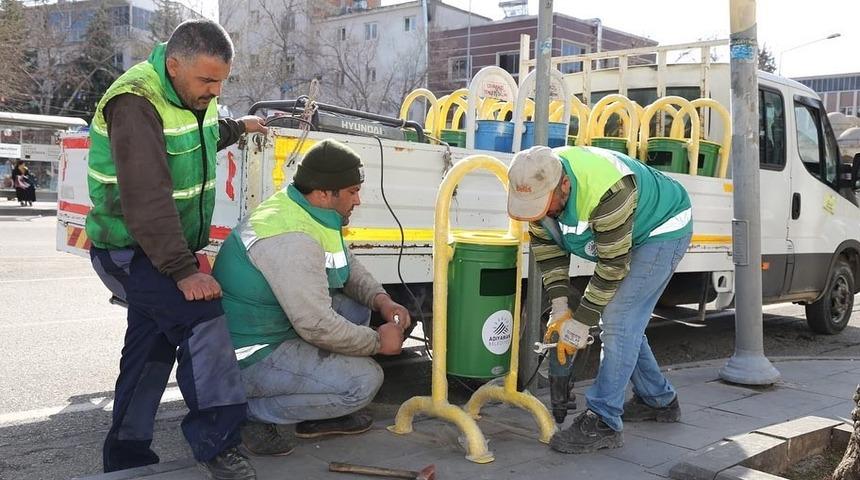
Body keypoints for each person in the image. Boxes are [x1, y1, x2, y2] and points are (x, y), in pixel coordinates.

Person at [85, 19, 267, 479]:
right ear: (174, 64)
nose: (213, 90)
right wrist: (185, 271)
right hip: (129, 250)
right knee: (202, 319)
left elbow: (198, 135)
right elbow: (146, 197)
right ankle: (219, 444)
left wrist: (239, 127)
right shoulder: (136, 100)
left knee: (150, 351)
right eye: (207, 81)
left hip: (158, 249)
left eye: (221, 82)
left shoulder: (188, 92)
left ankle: (126, 459)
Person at [212, 139, 409, 456]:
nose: (358, 200)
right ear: (323, 193)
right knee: (363, 382)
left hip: (275, 326)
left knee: (357, 303)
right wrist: (376, 341)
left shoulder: (305, 210)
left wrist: (381, 300)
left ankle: (314, 409)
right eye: (352, 191)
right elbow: (317, 326)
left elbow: (344, 261)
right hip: (247, 355)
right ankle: (247, 413)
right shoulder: (292, 240)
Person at [506, 145, 692, 454]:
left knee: (618, 319)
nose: (537, 211)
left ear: (563, 184)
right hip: (627, 229)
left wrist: (583, 321)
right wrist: (561, 309)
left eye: (543, 203)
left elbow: (612, 266)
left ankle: (604, 420)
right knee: (625, 324)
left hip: (663, 226)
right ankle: (659, 401)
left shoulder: (607, 190)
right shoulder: (535, 186)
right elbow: (550, 254)